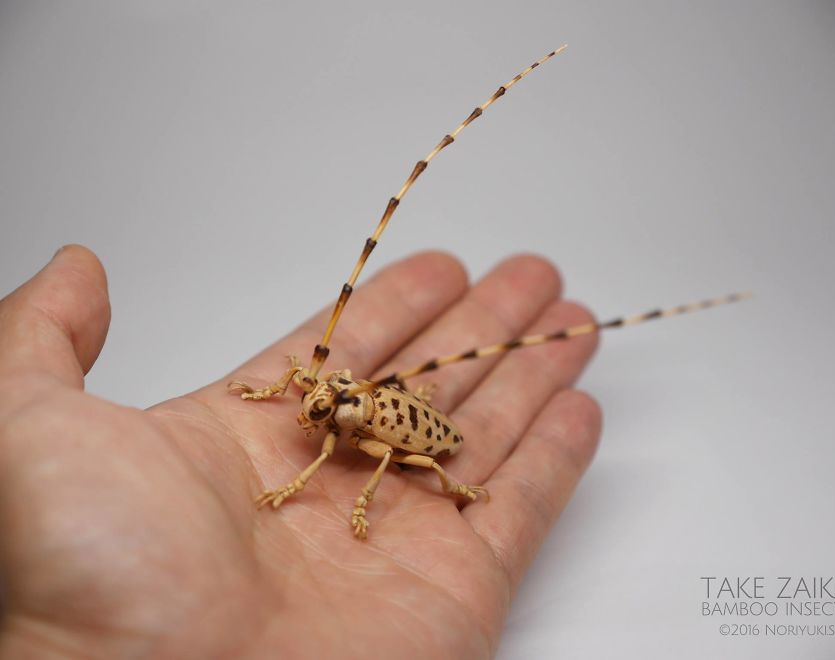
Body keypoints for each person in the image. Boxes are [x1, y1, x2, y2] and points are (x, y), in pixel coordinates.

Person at [0, 244, 600, 657]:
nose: (307, 415)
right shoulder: (332, 391)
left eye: (317, 409)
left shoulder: (357, 430)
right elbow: (312, 387)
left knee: (395, 457)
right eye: (314, 403)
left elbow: (376, 452)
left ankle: (452, 486)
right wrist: (273, 388)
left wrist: (340, 495)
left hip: (428, 437)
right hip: (398, 402)